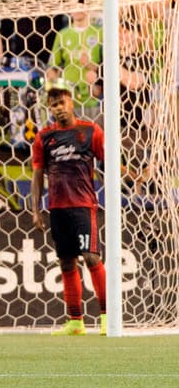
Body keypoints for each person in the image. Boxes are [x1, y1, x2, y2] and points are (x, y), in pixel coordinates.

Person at [31, 79, 109, 336]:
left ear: (71, 102)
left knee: (91, 257)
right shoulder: (44, 137)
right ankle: (75, 321)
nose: (58, 108)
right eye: (53, 105)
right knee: (66, 262)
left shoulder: (90, 131)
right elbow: (37, 175)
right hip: (58, 208)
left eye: (62, 102)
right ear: (49, 109)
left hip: (84, 205)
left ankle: (109, 316)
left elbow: (108, 160)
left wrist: (130, 175)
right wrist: (36, 208)